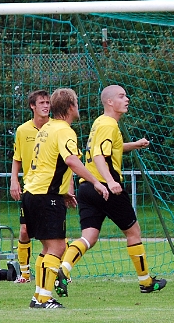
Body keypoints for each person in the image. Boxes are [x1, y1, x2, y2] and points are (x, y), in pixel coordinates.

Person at [57, 85, 166, 295]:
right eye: (121, 96)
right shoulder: (109, 124)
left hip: (87, 187)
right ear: (109, 102)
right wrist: (110, 182)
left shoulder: (100, 122)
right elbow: (99, 155)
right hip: (106, 188)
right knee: (133, 232)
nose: (127, 99)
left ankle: (64, 269)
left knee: (89, 237)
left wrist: (134, 145)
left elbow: (110, 148)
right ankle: (145, 282)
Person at [22, 88, 109, 308]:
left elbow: (50, 162)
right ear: (70, 107)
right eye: (76, 104)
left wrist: (64, 191)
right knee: (58, 248)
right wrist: (96, 182)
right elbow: (71, 160)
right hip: (45, 196)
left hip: (33, 193)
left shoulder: (46, 128)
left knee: (47, 248)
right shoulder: (64, 130)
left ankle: (38, 296)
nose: (78, 108)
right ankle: (44, 299)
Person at [10, 90, 51, 283]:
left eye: (48, 102)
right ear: (32, 106)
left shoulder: (55, 128)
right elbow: (17, 158)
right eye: (42, 103)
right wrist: (14, 180)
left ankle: (57, 270)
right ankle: (25, 274)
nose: (46, 106)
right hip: (30, 188)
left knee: (52, 232)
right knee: (25, 230)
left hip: (51, 188)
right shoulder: (22, 130)